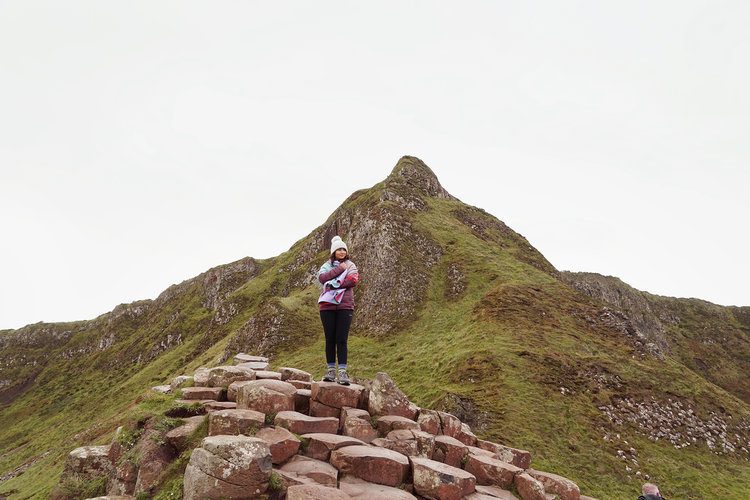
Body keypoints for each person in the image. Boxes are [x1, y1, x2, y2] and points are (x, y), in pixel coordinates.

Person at [316, 235, 360, 385]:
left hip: (345, 306)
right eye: (338, 249)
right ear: (333, 252)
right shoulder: (326, 265)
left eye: (343, 249)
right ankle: (330, 371)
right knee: (330, 339)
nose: (341, 252)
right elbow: (322, 278)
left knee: (342, 340)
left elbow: (353, 280)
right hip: (327, 307)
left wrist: (335, 285)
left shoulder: (351, 265)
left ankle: (342, 373)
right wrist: (340, 270)